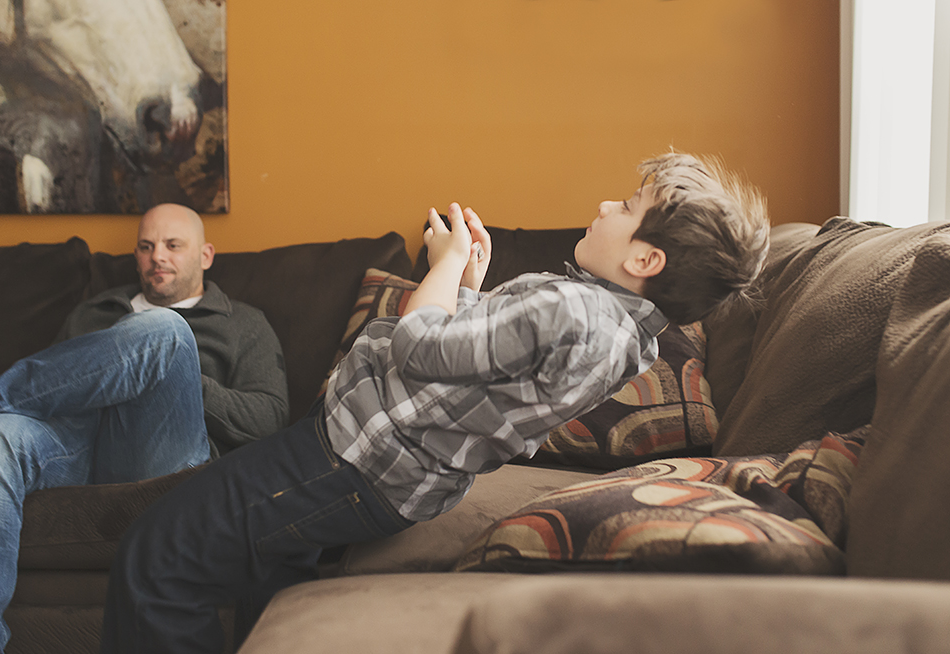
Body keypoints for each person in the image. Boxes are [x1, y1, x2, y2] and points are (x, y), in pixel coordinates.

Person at [100, 152, 770, 653]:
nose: (604, 208)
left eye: (626, 208)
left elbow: (421, 347)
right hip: (382, 475)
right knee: (264, 579)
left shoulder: (575, 310)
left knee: (155, 555)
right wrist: (473, 286)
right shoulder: (623, 336)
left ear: (646, 261)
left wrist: (445, 264)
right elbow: (481, 371)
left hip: (347, 462)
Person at [0, 204, 289, 654]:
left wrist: (174, 372)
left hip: (161, 452)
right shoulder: (93, 312)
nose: (157, 256)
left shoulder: (243, 323)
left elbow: (269, 418)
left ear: (206, 255)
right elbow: (49, 390)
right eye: (146, 246)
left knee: (163, 329)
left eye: (173, 245)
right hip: (75, 446)